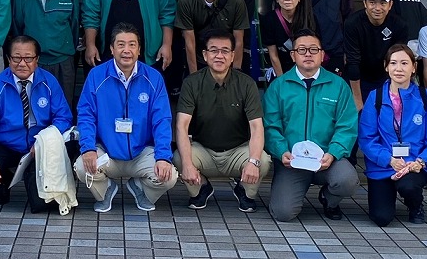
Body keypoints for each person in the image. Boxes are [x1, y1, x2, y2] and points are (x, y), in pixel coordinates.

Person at [74, 24, 178, 213]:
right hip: (107, 152)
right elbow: (86, 115)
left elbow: (162, 120)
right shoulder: (97, 76)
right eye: (121, 45)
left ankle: (141, 190)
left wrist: (163, 156)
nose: (126, 50)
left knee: (169, 176)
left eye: (132, 45)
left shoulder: (153, 78)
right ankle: (106, 191)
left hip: (141, 152)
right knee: (82, 166)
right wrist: (88, 148)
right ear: (112, 49)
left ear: (139, 49)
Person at [263, 29, 359, 222]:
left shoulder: (338, 85)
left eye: (314, 49)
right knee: (283, 213)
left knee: (347, 180)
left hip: (327, 159)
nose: (308, 54)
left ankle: (329, 200)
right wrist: (281, 151)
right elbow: (270, 126)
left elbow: (347, 126)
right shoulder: (278, 86)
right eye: (302, 50)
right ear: (293, 55)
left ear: (322, 54)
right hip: (291, 161)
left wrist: (333, 153)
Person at [174, 27, 269, 212]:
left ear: (233, 56)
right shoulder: (192, 83)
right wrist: (186, 164)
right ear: (205, 54)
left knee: (263, 160)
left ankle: (245, 191)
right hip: (204, 150)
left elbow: (257, 127)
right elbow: (181, 126)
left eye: (225, 51)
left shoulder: (246, 83)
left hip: (237, 150)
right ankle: (200, 188)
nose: (219, 56)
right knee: (180, 157)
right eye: (214, 50)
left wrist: (254, 161)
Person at [0, 35, 75, 212]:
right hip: (8, 145)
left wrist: (44, 140)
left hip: (38, 148)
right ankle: (2, 187)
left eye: (28, 58)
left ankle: (32, 182)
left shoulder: (49, 82)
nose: (22, 63)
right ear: (8, 59)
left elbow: (64, 117)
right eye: (16, 58)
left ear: (37, 60)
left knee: (39, 206)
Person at [357, 44, 427, 226]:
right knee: (381, 218)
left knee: (408, 186)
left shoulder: (426, 98)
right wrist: (389, 159)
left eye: (404, 63)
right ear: (386, 67)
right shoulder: (375, 97)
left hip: (413, 164)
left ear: (413, 68)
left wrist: (419, 162)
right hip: (383, 165)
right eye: (393, 63)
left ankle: (415, 205)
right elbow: (366, 138)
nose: (399, 68)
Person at [10, 0, 79, 103]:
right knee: (35, 104)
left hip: (63, 60)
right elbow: (18, 28)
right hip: (32, 61)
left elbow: (74, 26)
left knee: (63, 103)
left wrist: (66, 46)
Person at [175, 0, 248, 76]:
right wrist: (194, 77)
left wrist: (236, 75)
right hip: (200, 59)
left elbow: (239, 41)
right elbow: (189, 43)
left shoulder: (236, 1)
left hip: (226, 60)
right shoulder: (186, 1)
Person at [343, 0, 408, 111]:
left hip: (385, 77)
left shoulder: (399, 24)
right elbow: (353, 61)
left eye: (383, 3)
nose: (377, 8)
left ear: (390, 5)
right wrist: (357, 100)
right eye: (372, 3)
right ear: (365, 3)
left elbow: (397, 61)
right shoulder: (352, 23)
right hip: (358, 77)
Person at [260, 0, 315, 77]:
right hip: (280, 67)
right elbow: (274, 55)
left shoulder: (308, 17)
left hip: (305, 67)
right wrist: (282, 81)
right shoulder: (270, 19)